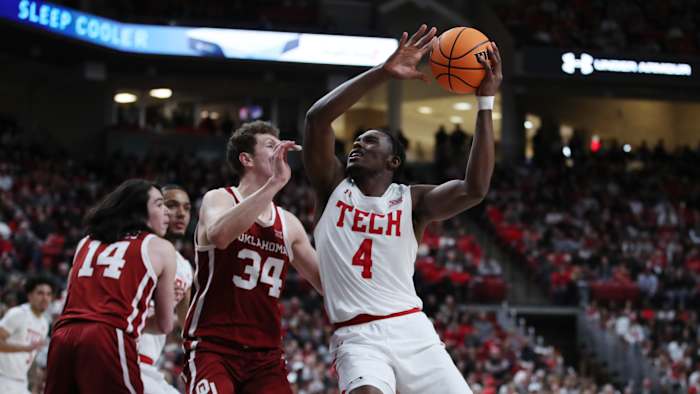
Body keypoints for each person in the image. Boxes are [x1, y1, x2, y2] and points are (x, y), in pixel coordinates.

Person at [304, 24, 502, 394]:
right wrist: (382, 72)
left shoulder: (413, 201)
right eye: (356, 140)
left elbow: (474, 189)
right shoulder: (332, 187)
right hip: (357, 336)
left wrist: (485, 102)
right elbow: (317, 120)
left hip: (412, 331)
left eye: (370, 141)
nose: (357, 146)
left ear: (393, 161)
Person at [182, 120, 323, 394]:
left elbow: (327, 284)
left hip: (266, 354)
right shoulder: (219, 199)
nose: (280, 150)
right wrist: (275, 184)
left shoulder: (289, 223)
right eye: (270, 145)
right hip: (213, 346)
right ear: (246, 159)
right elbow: (220, 236)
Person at [45, 179, 177, 394]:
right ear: (138, 211)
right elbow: (165, 325)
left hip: (63, 336)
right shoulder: (161, 247)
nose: (167, 213)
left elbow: (70, 295)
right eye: (159, 205)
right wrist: (138, 315)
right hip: (106, 337)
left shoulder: (86, 242)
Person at [139, 185, 194, 394]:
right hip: (121, 355)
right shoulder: (137, 248)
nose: (181, 213)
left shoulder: (185, 268)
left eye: (187, 208)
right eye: (172, 205)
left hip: (147, 366)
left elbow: (189, 328)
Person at [0, 276, 53, 394]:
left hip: (21, 382)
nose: (45, 298)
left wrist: (34, 384)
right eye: (40, 293)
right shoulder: (18, 314)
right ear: (30, 296)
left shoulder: (44, 323)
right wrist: (25, 348)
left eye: (48, 294)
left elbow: (30, 357)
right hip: (3, 379)